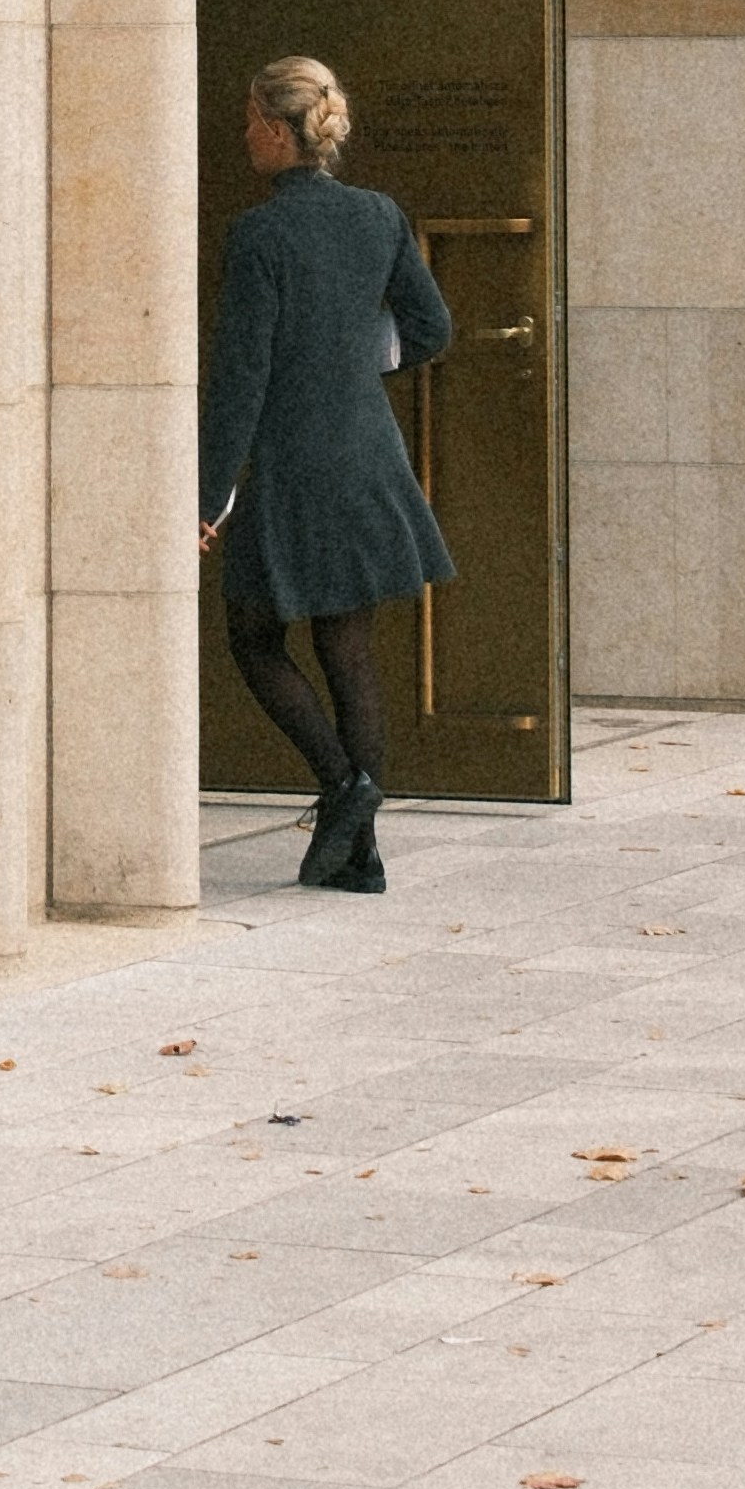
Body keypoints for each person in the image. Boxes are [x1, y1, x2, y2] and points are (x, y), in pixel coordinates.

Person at [198, 55, 454, 894]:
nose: (243, 137)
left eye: (248, 122)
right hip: (367, 450)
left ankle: (346, 788)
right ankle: (360, 852)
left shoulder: (261, 235)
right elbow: (431, 328)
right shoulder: (378, 217)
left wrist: (208, 496)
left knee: (254, 637)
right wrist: (353, 362)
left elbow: (242, 378)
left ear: (277, 130)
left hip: (293, 463)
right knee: (347, 646)